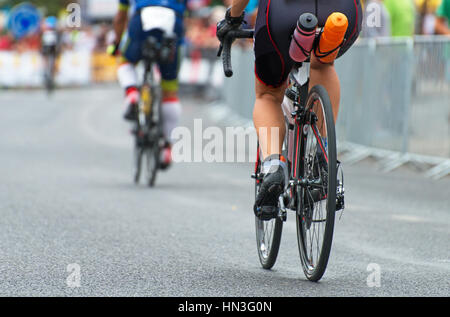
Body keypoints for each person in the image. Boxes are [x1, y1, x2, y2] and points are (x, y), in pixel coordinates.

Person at [217, 0, 362, 220]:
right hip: (342, 12)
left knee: (268, 94)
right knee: (323, 63)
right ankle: (323, 155)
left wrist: (233, 18)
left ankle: (274, 166)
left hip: (281, 15)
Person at [109, 0, 188, 168]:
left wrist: (116, 44)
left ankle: (132, 94)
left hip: (142, 19)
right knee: (169, 90)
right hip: (173, 21)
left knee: (126, 63)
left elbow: (120, 17)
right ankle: (167, 147)